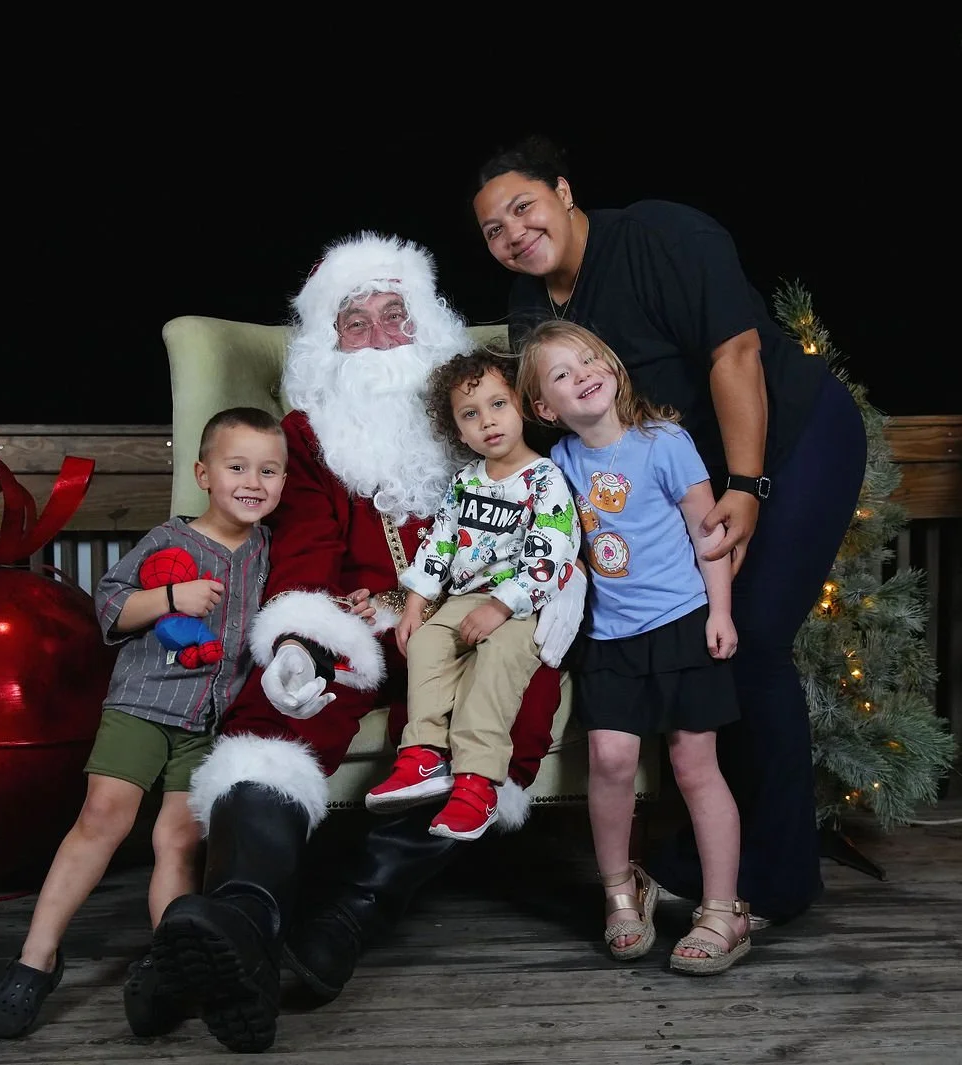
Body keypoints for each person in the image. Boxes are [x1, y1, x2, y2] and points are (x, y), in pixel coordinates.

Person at [146, 232, 587, 1054]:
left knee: (501, 712)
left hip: (474, 620)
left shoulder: (478, 418)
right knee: (279, 707)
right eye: (357, 321)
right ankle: (245, 913)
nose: (381, 337)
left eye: (396, 315)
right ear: (326, 344)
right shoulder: (308, 439)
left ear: (429, 327)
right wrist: (304, 637)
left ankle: (345, 922)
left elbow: (536, 534)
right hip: (356, 622)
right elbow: (307, 550)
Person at [473, 134, 869, 927]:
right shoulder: (528, 308)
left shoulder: (661, 235)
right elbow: (557, 433)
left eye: (524, 207)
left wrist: (749, 487)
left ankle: (777, 880)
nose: (514, 233)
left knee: (750, 637)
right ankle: (702, 852)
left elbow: (737, 354)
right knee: (683, 642)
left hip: (791, 439)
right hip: (684, 475)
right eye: (493, 229)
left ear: (563, 189)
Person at [0, 406, 287, 1040]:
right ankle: (36, 959)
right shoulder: (171, 540)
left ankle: (170, 962)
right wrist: (173, 597)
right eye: (237, 467)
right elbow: (110, 606)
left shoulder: (268, 552)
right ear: (204, 473)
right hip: (142, 707)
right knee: (103, 819)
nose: (253, 481)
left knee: (178, 842)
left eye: (270, 470)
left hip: (209, 722)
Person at [519, 320, 749, 973]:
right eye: (561, 375)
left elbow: (710, 535)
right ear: (545, 407)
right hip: (609, 636)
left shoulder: (664, 442)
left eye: (591, 359)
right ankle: (622, 890)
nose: (582, 375)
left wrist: (721, 611)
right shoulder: (558, 464)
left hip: (682, 623)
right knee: (612, 758)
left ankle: (722, 908)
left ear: (613, 367)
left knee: (694, 766)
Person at [366, 349, 580, 841]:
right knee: (425, 643)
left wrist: (502, 606)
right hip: (464, 598)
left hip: (521, 603)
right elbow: (439, 542)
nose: (487, 421)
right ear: (458, 432)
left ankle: (477, 782)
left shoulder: (544, 479)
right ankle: (421, 755)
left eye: (497, 404)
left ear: (521, 406)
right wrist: (416, 602)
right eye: (470, 414)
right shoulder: (464, 483)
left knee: (495, 665)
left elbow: (552, 550)